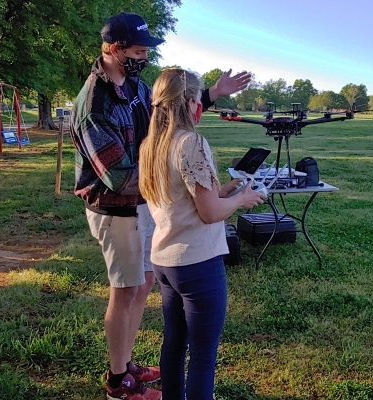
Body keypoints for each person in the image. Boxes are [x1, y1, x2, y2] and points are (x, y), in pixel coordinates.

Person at [69, 12, 252, 400]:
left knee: (144, 284)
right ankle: (119, 380)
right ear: (115, 50)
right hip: (115, 209)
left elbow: (166, 112)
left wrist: (212, 93)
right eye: (138, 51)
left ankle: (128, 360)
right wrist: (185, 180)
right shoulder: (93, 105)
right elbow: (118, 176)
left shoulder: (131, 82)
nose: (144, 59)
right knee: (126, 288)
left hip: (148, 208)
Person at [138, 68, 266, 400]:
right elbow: (210, 213)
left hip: (166, 261)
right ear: (192, 102)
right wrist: (242, 198)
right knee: (203, 358)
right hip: (197, 263)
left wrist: (225, 189)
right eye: (199, 100)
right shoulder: (191, 142)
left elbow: (187, 198)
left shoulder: (150, 145)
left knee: (174, 343)